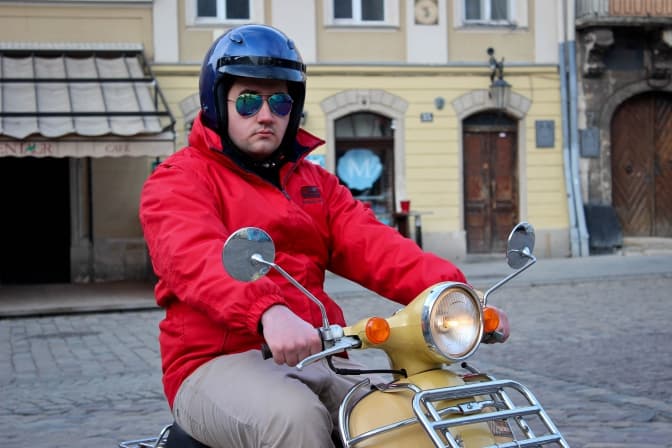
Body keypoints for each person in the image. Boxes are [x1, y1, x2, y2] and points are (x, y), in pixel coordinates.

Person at [139, 24, 509, 448]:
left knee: (410, 414)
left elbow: (376, 245)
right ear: (216, 103)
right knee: (294, 418)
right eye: (248, 101)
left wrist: (462, 296)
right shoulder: (179, 179)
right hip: (215, 362)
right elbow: (194, 257)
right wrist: (267, 311)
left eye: (280, 101)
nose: (266, 114)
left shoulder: (314, 184)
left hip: (317, 356)